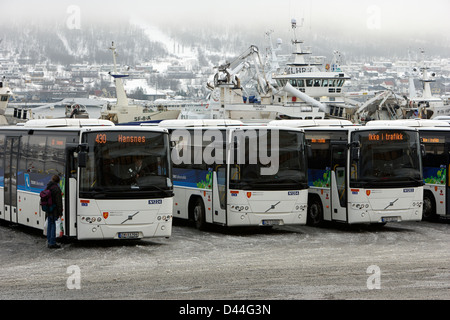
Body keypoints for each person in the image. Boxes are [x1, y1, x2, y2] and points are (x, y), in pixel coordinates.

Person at [45, 175, 63, 249]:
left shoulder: (48, 187)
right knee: (53, 225)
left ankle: (49, 241)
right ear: (58, 181)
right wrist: (60, 212)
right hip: (54, 209)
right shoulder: (56, 189)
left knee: (49, 224)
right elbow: (59, 202)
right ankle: (52, 243)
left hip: (48, 209)